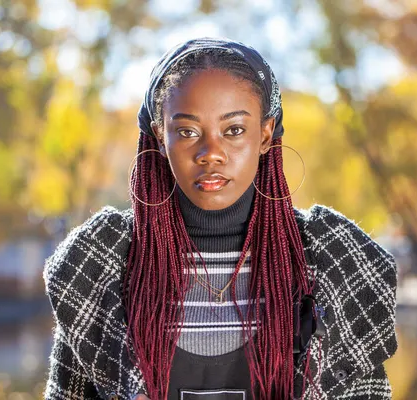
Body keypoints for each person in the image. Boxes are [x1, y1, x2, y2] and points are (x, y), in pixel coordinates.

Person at [43, 38, 398, 400]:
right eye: (187, 132)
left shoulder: (332, 264)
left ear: (264, 134)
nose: (210, 153)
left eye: (233, 131)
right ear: (160, 138)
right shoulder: (102, 267)